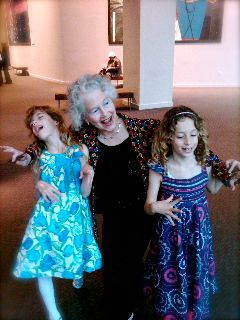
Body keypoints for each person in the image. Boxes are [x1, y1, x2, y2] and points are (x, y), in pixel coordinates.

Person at [1, 75, 239, 320]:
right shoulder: (81, 137)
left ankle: (146, 295)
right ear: (84, 116)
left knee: (145, 262)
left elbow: (191, 145)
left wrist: (223, 169)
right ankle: (125, 309)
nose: (104, 113)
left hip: (150, 206)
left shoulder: (143, 129)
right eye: (93, 110)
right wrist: (28, 156)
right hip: (114, 214)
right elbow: (52, 142)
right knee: (116, 271)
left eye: (105, 103)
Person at [2, 106, 102, 320]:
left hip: (75, 214)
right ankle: (54, 314)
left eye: (40, 117)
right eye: (32, 124)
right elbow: (35, 173)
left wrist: (89, 176)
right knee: (40, 260)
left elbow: (84, 193)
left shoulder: (79, 150)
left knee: (75, 256)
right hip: (47, 216)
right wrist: (39, 184)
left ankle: (78, 276)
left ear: (56, 121)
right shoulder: (39, 154)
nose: (35, 123)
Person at [143, 106, 239, 319]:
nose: (188, 141)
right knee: (171, 271)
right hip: (170, 236)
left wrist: (227, 175)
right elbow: (148, 205)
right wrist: (155, 207)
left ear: (199, 134)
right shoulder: (159, 168)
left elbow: (213, 188)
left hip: (198, 234)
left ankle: (193, 310)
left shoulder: (204, 163)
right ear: (168, 137)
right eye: (180, 136)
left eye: (193, 134)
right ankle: (170, 311)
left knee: (196, 270)